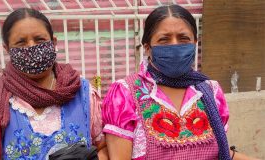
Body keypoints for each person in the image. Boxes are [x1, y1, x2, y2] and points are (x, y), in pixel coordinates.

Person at [102, 5, 258, 160]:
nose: (175, 45)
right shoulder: (125, 93)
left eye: (183, 38)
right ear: (147, 48)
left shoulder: (211, 91)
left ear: (195, 43)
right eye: (164, 39)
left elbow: (222, 152)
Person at [0, 8, 107, 160]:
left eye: (39, 40)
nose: (31, 47)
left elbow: (102, 147)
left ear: (53, 42)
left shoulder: (81, 92)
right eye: (21, 42)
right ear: (7, 49)